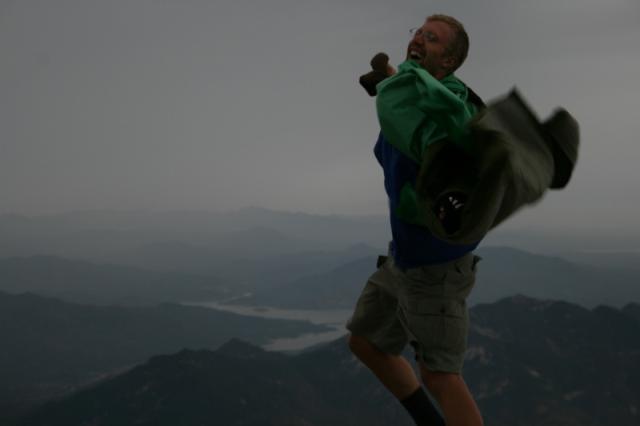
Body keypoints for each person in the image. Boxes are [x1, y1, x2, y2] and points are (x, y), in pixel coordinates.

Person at [347, 14, 485, 426]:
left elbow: (442, 134)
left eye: (433, 39)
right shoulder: (409, 94)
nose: (420, 40)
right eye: (418, 33)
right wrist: (389, 80)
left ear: (448, 62)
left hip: (436, 267)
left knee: (440, 375)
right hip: (404, 258)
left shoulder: (447, 110)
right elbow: (411, 107)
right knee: (366, 342)